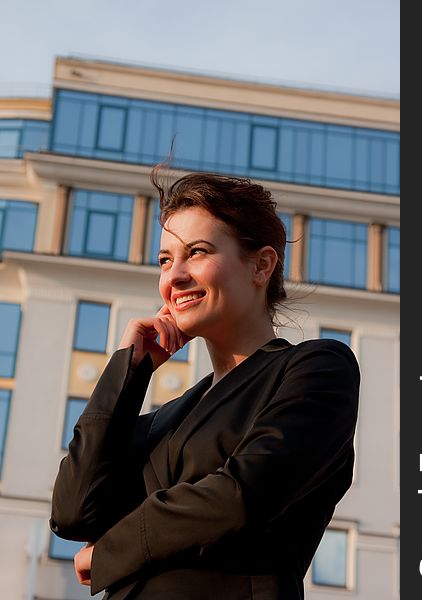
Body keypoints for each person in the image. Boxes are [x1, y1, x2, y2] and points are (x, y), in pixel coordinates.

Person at [50, 171, 360, 600]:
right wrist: (128, 370)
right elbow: (73, 512)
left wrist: (112, 551)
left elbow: (241, 494)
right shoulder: (167, 417)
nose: (174, 276)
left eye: (197, 252)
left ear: (261, 265)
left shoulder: (316, 368)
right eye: (164, 259)